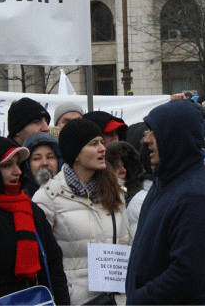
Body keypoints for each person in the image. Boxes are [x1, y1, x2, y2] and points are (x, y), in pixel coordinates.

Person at [125, 99, 205, 305]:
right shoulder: (169, 181)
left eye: (155, 133)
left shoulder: (194, 195)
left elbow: (188, 273)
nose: (146, 140)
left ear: (174, 137)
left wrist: (140, 298)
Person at [0, 134, 70, 305]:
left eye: (18, 164)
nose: (17, 171)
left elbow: (54, 264)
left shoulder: (31, 209)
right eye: (7, 165)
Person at [33, 118, 130, 304]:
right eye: (94, 144)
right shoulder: (48, 197)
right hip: (77, 301)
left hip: (117, 299)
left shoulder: (116, 191)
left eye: (102, 142)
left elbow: (126, 244)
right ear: (75, 153)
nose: (102, 148)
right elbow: (44, 262)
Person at [21, 132, 62, 197]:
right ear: (27, 164)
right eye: (37, 158)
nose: (44, 163)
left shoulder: (73, 194)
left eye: (50, 157)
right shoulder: (21, 199)